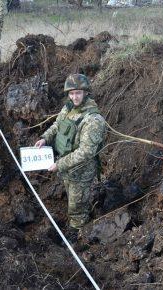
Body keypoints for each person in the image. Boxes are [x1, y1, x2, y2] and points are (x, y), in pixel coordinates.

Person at [35, 74, 106, 235]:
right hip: (67, 167)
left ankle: (79, 234)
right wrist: (45, 138)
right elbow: (57, 125)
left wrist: (59, 164)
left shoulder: (93, 120)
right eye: (72, 93)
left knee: (77, 208)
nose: (74, 97)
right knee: (72, 198)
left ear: (85, 92)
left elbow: (86, 152)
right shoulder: (68, 107)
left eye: (78, 93)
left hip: (82, 171)